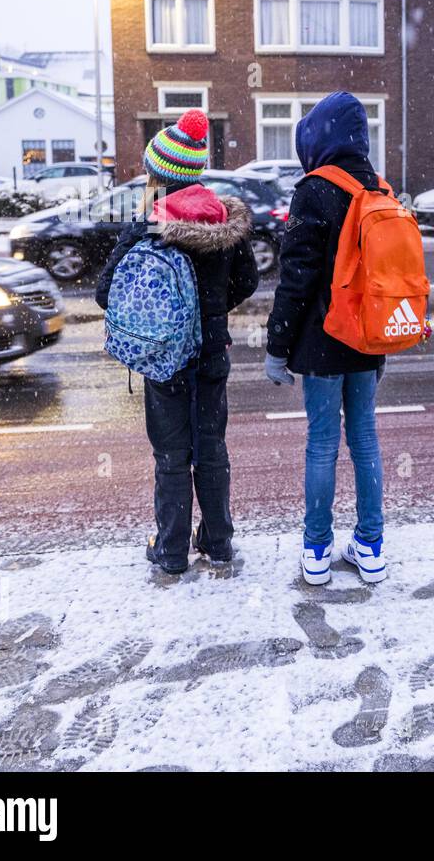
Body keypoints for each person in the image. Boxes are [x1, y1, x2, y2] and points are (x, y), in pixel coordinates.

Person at [96, 109, 260, 574]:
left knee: (171, 454)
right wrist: (208, 313)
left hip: (163, 359)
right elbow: (247, 280)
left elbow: (105, 292)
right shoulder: (223, 220)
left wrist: (162, 320)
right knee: (211, 449)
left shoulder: (147, 224)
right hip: (211, 352)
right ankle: (218, 542)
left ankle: (170, 550)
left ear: (157, 174)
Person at [264, 91, 387, 587]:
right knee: (364, 439)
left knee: (321, 444)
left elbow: (296, 278)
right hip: (367, 338)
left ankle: (317, 550)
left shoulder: (314, 189)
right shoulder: (380, 188)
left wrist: (276, 347)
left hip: (321, 340)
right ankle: (371, 545)